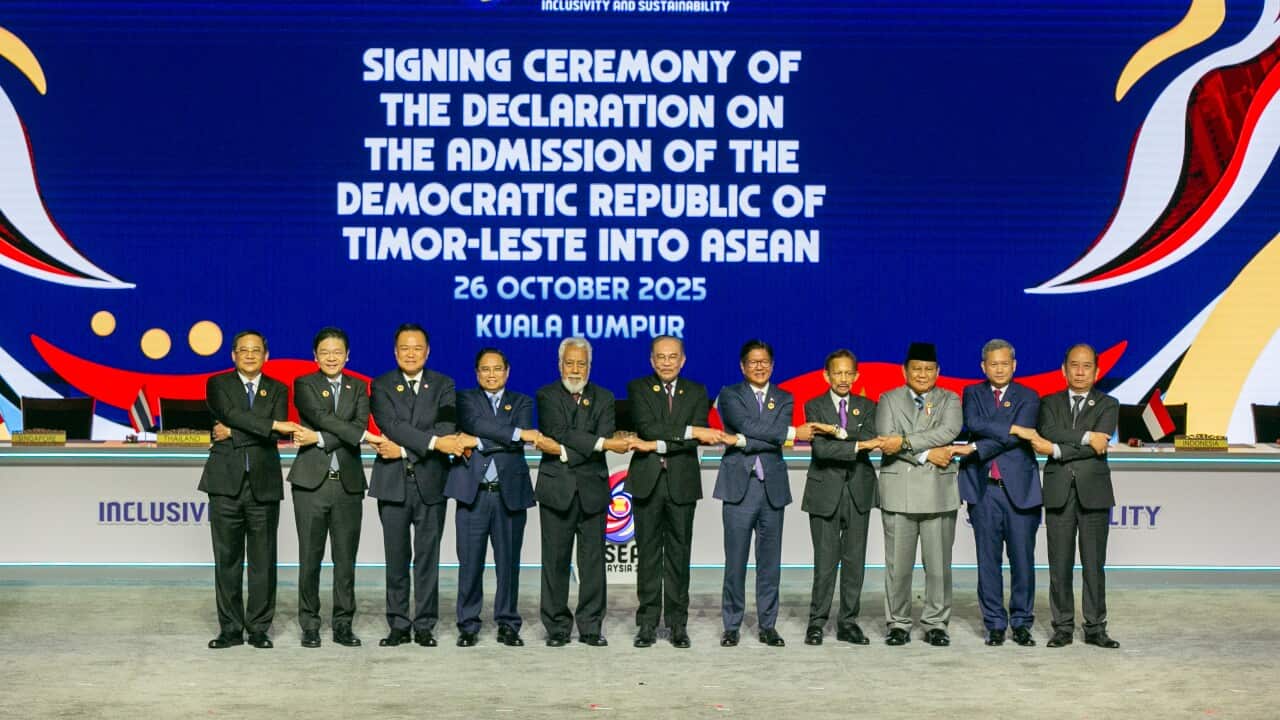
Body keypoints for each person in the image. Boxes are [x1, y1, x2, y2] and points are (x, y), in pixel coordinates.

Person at [368, 323, 476, 648]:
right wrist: (430, 442)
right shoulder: (382, 385)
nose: (411, 353)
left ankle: (425, 624)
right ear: (395, 352)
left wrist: (403, 448)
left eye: (417, 348)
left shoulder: (444, 384)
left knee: (427, 558)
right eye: (404, 348)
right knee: (396, 558)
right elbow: (391, 424)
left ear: (427, 352)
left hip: (431, 482)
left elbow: (445, 428)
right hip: (393, 484)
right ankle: (399, 624)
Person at [201, 330, 300, 649]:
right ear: (233, 355)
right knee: (226, 560)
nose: (249, 355)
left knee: (263, 560)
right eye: (243, 350)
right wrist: (269, 424)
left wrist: (234, 433)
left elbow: (272, 436)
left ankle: (258, 628)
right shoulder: (217, 384)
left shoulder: (278, 389)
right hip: (224, 484)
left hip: (264, 485)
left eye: (256, 350)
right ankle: (230, 629)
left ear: (266, 355)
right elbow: (231, 415)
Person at [714, 339, 816, 648]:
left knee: (770, 565)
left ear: (772, 365)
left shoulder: (785, 398)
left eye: (764, 362)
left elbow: (756, 434)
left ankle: (768, 625)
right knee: (735, 563)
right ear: (742, 366)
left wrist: (743, 441)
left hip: (772, 490)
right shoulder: (729, 395)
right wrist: (788, 434)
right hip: (738, 490)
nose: (759, 367)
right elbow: (749, 425)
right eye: (753, 362)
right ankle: (731, 625)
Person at [287, 327, 384, 649]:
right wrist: (357, 436)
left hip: (348, 486)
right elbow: (321, 416)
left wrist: (318, 438)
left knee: (345, 561)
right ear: (315, 357)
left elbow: (356, 426)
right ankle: (310, 624)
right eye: (325, 352)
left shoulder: (359, 387)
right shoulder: (304, 384)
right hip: (310, 485)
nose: (331, 357)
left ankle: (343, 624)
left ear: (348, 356)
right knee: (310, 559)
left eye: (337, 352)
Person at [533, 337, 630, 647]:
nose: (575, 370)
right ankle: (557, 627)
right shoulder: (546, 395)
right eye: (570, 363)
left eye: (581, 364)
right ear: (560, 364)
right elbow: (559, 430)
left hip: (592, 490)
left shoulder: (604, 397)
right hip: (556, 490)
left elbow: (597, 434)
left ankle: (590, 626)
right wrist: (600, 445)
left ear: (590, 366)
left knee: (592, 564)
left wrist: (562, 451)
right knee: (555, 562)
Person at [625, 335, 716, 649]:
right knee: (648, 555)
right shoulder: (637, 388)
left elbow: (696, 440)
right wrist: (688, 430)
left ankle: (678, 624)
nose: (666, 362)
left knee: (679, 555)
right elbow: (647, 427)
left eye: (672, 356)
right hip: (647, 481)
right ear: (652, 360)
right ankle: (647, 623)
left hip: (682, 482)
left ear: (683, 360)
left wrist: (682, 436)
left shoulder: (697, 391)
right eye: (660, 357)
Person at [445, 348, 539, 648]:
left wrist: (478, 442)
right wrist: (513, 435)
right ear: (477, 373)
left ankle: (508, 623)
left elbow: (513, 442)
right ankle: (468, 625)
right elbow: (480, 426)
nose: (491, 374)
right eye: (485, 369)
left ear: (507, 372)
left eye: (497, 369)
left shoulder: (522, 401)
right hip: (473, 495)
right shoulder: (465, 399)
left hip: (509, 495)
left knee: (508, 564)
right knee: (470, 563)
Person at [1033, 343, 1121, 649]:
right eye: (1075, 365)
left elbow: (1099, 444)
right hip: (1059, 492)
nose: (1080, 371)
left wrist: (1056, 450)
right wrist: (1085, 437)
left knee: (1094, 565)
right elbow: (1049, 430)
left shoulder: (1109, 404)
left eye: (1086, 366)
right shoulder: (1048, 403)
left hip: (1093, 493)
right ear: (1064, 369)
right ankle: (1063, 627)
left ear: (1096, 372)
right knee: (1059, 564)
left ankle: (1096, 627)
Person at [875, 342, 963, 647]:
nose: (922, 374)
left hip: (939, 491)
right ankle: (897, 622)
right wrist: (926, 455)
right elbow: (886, 439)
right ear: (904, 371)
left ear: (938, 372)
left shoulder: (950, 399)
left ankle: (936, 623)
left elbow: (948, 431)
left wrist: (903, 441)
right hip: (899, 491)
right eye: (917, 369)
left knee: (938, 566)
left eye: (928, 369)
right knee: (897, 567)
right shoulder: (888, 399)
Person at [957, 339, 1042, 647]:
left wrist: (978, 445)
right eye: (993, 364)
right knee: (987, 562)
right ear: (983, 367)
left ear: (1014, 365)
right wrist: (1013, 428)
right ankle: (994, 623)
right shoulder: (972, 393)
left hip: (1019, 491)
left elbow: (1016, 439)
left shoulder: (1029, 396)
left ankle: (1021, 622)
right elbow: (973, 422)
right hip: (985, 491)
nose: (999, 368)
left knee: (1023, 561)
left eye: (1005, 363)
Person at [801, 349, 881, 646]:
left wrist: (838, 434)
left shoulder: (868, 406)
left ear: (857, 375)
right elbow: (821, 450)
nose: (844, 378)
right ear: (827, 375)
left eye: (849, 373)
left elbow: (872, 441)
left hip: (859, 490)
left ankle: (848, 622)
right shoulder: (814, 405)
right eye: (838, 373)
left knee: (854, 561)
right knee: (824, 561)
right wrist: (855, 441)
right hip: (824, 491)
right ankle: (816, 622)